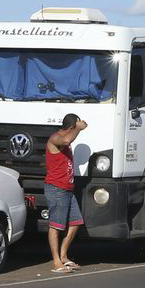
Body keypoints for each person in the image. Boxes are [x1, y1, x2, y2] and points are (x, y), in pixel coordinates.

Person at [45, 113, 86, 273]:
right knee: (56, 226)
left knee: (76, 222)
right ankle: (56, 262)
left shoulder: (67, 138)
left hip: (68, 188)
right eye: (75, 125)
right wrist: (79, 128)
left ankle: (63, 256)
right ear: (71, 126)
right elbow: (67, 140)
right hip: (56, 188)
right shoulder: (56, 138)